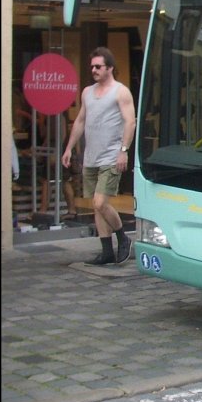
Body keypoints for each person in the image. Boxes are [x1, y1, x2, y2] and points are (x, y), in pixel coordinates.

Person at [62, 47, 137, 265]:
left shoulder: (120, 92)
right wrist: (69, 148)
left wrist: (123, 151)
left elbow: (130, 122)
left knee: (100, 202)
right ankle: (106, 251)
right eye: (92, 66)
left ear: (110, 68)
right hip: (91, 158)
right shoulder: (87, 92)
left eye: (98, 66)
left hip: (111, 157)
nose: (93, 70)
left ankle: (123, 238)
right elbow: (80, 121)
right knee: (96, 206)